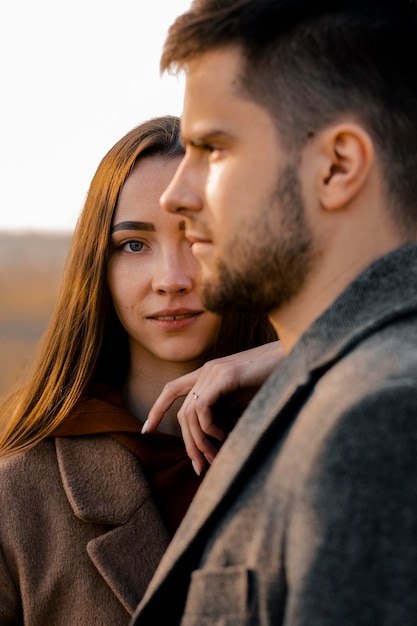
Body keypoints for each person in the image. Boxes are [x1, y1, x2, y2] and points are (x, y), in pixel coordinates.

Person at [131, 2, 417, 625]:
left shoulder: (384, 419)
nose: (179, 194)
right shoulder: (339, 388)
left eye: (212, 147)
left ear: (338, 165)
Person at [0, 115, 278, 624]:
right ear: (98, 267)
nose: (171, 279)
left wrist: (302, 352)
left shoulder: (321, 434)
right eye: (134, 244)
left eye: (198, 238)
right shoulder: (17, 493)